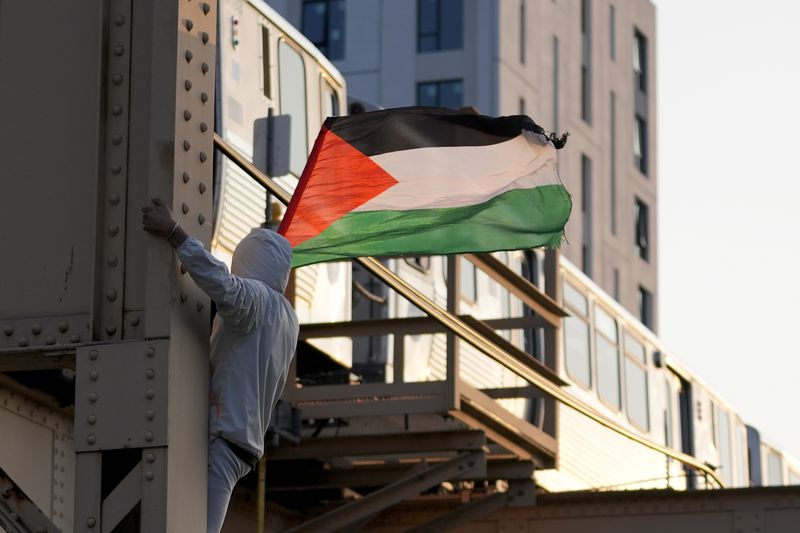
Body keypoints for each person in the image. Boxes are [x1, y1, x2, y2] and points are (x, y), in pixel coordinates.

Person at [141, 198, 299, 533]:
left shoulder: (256, 300)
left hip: (222, 439)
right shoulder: (289, 318)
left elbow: (224, 285)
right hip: (243, 447)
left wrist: (175, 233)